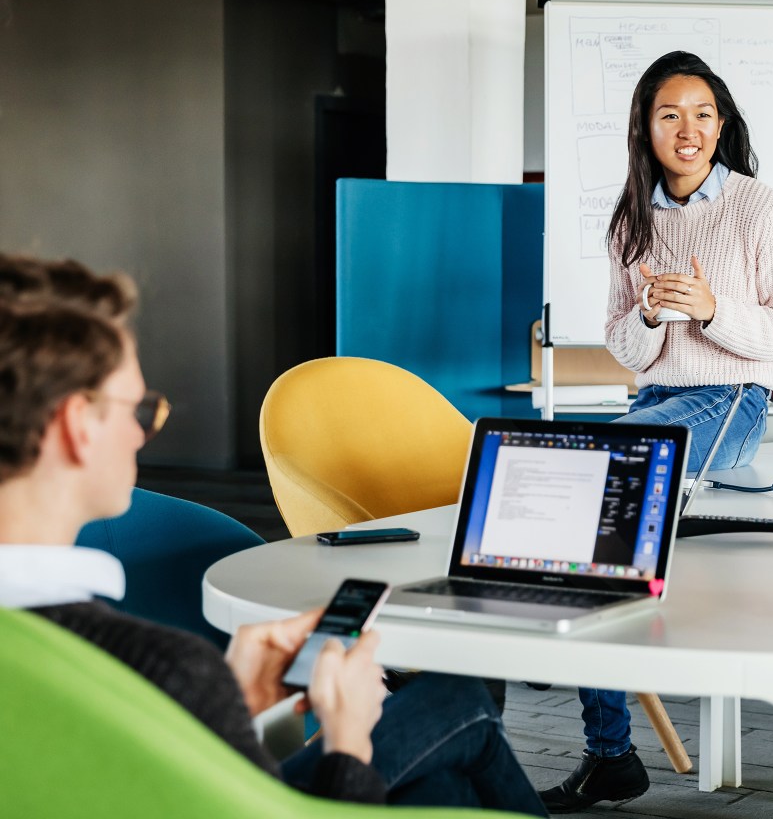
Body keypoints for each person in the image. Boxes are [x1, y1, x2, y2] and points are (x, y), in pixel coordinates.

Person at [0, 254, 546, 814]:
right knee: (454, 702)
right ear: (75, 427)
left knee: (442, 782)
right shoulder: (154, 663)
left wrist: (248, 709)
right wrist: (347, 740)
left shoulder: (49, 653)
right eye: (135, 409)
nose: (143, 436)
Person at [540, 51, 773, 813]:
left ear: (721, 124)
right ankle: (611, 756)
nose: (687, 129)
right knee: (587, 527)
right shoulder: (631, 219)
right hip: (657, 397)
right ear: (647, 128)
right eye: (670, 115)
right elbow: (624, 351)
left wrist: (709, 309)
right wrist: (652, 313)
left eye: (702, 114)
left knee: (601, 480)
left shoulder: (759, 207)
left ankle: (603, 734)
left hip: (733, 400)